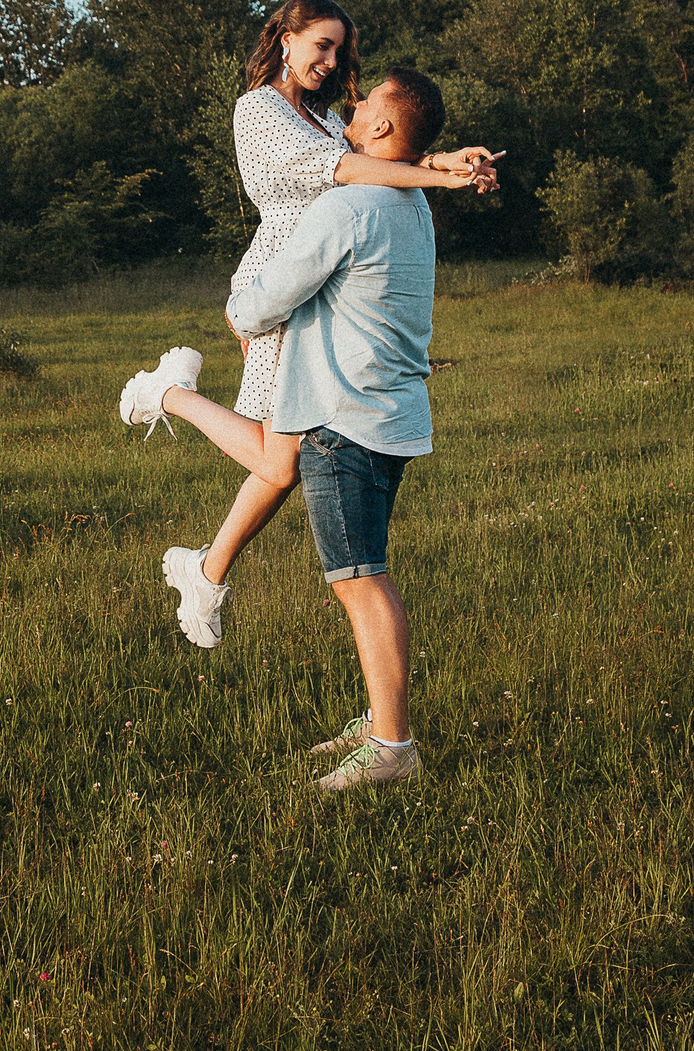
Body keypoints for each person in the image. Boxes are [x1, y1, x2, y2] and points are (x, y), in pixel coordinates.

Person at [121, 0, 492, 653]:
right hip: (279, 283)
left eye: (339, 50)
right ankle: (166, 394)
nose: (330, 60)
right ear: (284, 39)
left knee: (280, 460)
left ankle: (203, 571)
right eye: (320, 44)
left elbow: (368, 162)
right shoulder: (259, 109)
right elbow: (345, 170)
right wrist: (443, 181)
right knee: (279, 458)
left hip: (321, 286)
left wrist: (436, 159)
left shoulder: (322, 117)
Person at [117, 66, 452, 792]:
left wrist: (239, 302)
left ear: (386, 129)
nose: (351, 106)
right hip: (390, 415)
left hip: (342, 419)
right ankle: (378, 720)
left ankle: (393, 746)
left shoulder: (350, 207)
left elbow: (259, 308)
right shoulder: (413, 206)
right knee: (361, 570)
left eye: (366, 104)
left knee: (361, 580)